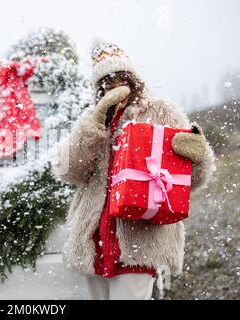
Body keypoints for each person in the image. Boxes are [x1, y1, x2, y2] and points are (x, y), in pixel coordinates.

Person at [53, 38, 215, 300]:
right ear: (100, 88)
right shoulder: (93, 118)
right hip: (95, 239)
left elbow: (190, 180)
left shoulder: (162, 112)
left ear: (133, 79)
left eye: (121, 77)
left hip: (140, 236)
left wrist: (200, 157)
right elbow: (68, 171)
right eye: (107, 80)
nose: (115, 84)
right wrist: (95, 125)